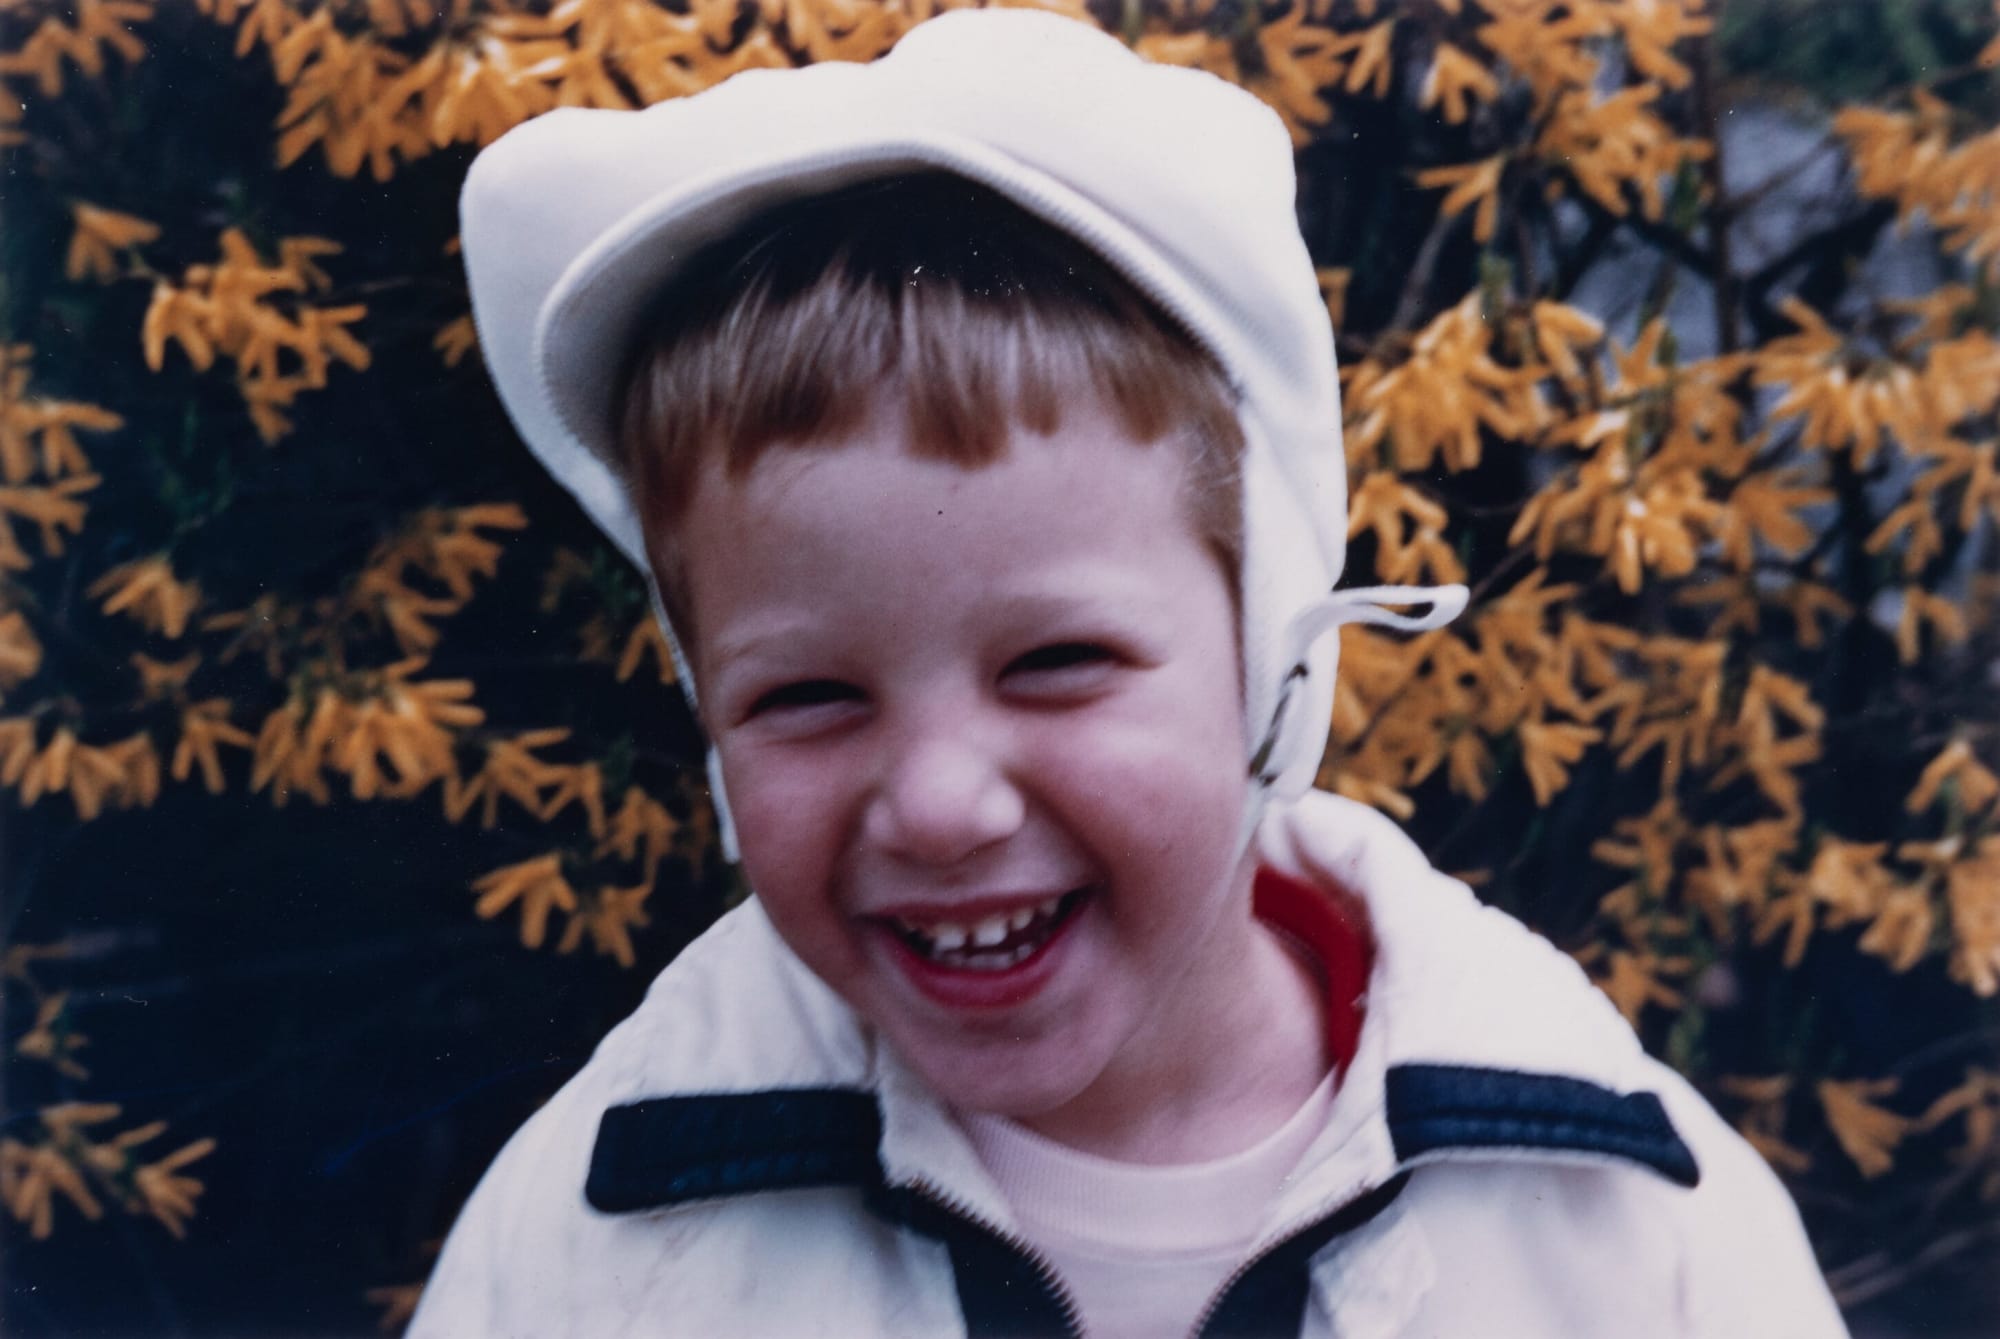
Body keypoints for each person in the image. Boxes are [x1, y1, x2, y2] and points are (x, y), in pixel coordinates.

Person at [413, 10, 1848, 1337]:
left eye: (1058, 663)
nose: (940, 805)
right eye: (806, 697)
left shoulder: (1628, 1236)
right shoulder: (603, 1242)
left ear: (1273, 668)